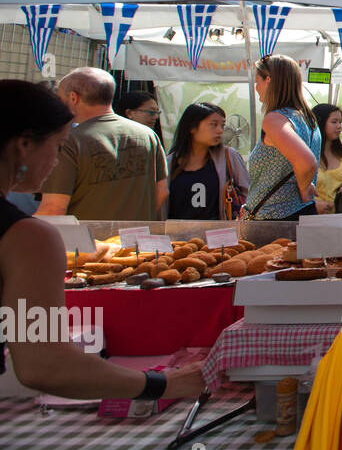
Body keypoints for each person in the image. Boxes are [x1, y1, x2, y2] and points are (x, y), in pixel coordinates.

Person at [1, 80, 205, 401]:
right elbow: (43, 365)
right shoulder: (26, 237)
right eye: (57, 146)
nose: (56, 160)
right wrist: (163, 384)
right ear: (25, 144)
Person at [37, 67, 168, 221]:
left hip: (89, 242)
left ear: (73, 98)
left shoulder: (69, 141)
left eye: (60, 98)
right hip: (139, 239)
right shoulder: (148, 135)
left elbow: (53, 208)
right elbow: (162, 192)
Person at [244, 55, 321, 220]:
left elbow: (306, 162)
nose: (256, 87)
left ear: (269, 80)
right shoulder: (308, 119)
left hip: (276, 220)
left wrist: (304, 187)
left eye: (258, 81)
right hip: (303, 212)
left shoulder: (275, 119)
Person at [166, 102, 249, 221]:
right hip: (177, 236)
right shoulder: (169, 163)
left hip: (218, 235)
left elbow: (248, 194)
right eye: (213, 125)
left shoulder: (229, 156)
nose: (220, 130)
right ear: (192, 127)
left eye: (222, 125)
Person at [313, 103, 342, 213]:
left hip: (340, 218)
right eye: (334, 122)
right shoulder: (305, 153)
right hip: (310, 219)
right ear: (320, 122)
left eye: (340, 122)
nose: (339, 126)